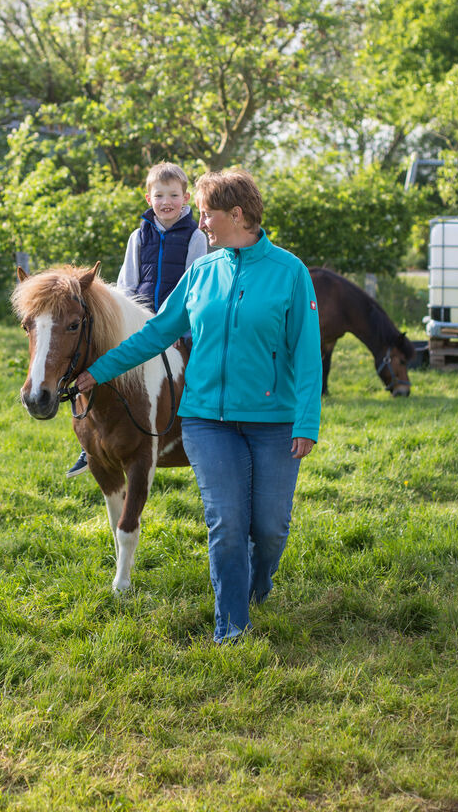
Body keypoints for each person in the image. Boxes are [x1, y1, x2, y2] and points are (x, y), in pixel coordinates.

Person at [75, 168, 322, 643]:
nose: (201, 223)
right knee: (227, 524)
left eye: (206, 214)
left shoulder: (291, 273)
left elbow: (307, 355)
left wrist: (306, 422)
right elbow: (156, 333)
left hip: (273, 422)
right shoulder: (204, 271)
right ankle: (231, 627)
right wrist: (99, 371)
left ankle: (256, 586)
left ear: (237, 214)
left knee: (268, 530)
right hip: (207, 420)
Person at [66, 161, 208, 477]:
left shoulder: (196, 237)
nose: (166, 202)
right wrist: (126, 321)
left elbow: (194, 284)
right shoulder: (139, 236)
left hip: (179, 324)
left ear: (186, 198)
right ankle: (90, 441)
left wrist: (171, 324)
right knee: (102, 366)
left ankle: (197, 427)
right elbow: (127, 284)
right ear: (148, 199)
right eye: (159, 195)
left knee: (197, 365)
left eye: (174, 195)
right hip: (140, 325)